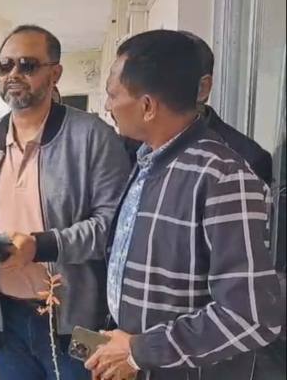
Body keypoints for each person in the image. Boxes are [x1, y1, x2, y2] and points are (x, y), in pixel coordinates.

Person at [87, 29, 283, 380]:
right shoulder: (148, 161)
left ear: (148, 106)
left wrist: (141, 350)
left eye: (112, 95)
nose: (107, 106)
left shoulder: (222, 177)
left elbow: (250, 316)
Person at [0, 24, 131, 380]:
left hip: (76, 318)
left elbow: (113, 227)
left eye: (28, 65)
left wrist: (40, 246)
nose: (14, 74)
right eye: (5, 65)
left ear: (55, 73)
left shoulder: (93, 137)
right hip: (3, 316)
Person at [120, 31, 273, 183]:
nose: (148, 99)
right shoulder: (131, 144)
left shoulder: (246, 159)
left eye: (163, 83)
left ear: (203, 88)